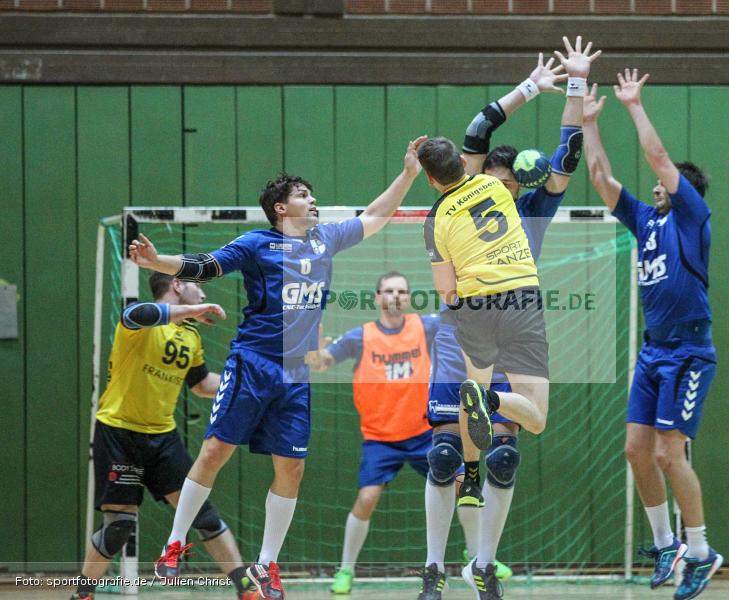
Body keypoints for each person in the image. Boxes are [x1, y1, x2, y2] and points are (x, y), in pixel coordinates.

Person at [128, 136, 426, 600]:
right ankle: (173, 544)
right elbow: (203, 266)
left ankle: (266, 566)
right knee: (213, 454)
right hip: (253, 362)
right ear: (281, 209)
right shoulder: (256, 243)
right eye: (303, 195)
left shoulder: (325, 238)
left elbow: (374, 216)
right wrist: (157, 261)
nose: (313, 200)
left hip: (295, 374)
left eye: (311, 194)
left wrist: (408, 173)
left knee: (292, 469)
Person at [417, 37, 599, 600]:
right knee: (449, 453)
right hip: (514, 310)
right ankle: (435, 569)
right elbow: (560, 151)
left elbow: (491, 136)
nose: (497, 178)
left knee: (499, 455)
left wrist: (543, 87)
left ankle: (483, 567)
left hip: (472, 314)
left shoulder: (508, 203)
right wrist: (568, 85)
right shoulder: (488, 191)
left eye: (504, 174)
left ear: (515, 178)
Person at [582, 70, 723, 600]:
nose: (656, 183)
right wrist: (591, 124)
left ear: (683, 190)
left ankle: (703, 554)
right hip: (653, 349)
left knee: (669, 455)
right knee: (636, 451)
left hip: (689, 348)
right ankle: (667, 544)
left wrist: (633, 105)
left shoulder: (692, 217)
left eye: (667, 181)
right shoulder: (646, 220)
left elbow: (659, 157)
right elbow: (599, 176)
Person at [73, 272, 255, 600]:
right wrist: (192, 312)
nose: (201, 294)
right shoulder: (140, 319)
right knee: (119, 527)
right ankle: (82, 594)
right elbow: (138, 314)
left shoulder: (190, 336)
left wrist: (247, 382)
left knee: (205, 516)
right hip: (119, 433)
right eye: (196, 286)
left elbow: (200, 385)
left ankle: (246, 589)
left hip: (162, 438)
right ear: (176, 285)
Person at [302, 271, 439, 594]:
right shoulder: (360, 337)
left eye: (401, 291)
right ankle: (346, 570)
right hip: (381, 438)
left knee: (463, 487)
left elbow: (461, 323)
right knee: (367, 498)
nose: (395, 296)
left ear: (408, 298)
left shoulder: (426, 327)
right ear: (377, 297)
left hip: (423, 432)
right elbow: (321, 362)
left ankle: (478, 557)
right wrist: (313, 352)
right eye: (388, 290)